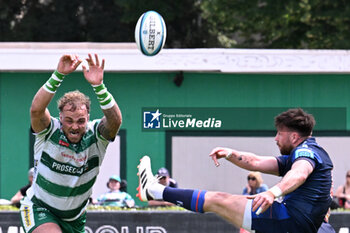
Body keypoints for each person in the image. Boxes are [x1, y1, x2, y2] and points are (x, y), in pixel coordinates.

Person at [137, 108, 333, 233]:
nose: (275, 139)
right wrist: (230, 153)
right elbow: (256, 162)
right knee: (219, 200)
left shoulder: (307, 153)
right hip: (302, 224)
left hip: (290, 221)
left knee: (218, 200)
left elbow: (299, 173)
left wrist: (273, 192)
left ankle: (154, 191)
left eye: (279, 134)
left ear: (293, 137)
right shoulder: (299, 154)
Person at [20, 54, 122, 233]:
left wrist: (99, 86)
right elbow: (36, 110)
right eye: (69, 120)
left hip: (75, 219)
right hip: (39, 208)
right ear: (60, 118)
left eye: (80, 121)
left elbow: (115, 122)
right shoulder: (49, 131)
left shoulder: (96, 136)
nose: (75, 126)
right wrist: (58, 75)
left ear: (88, 118)